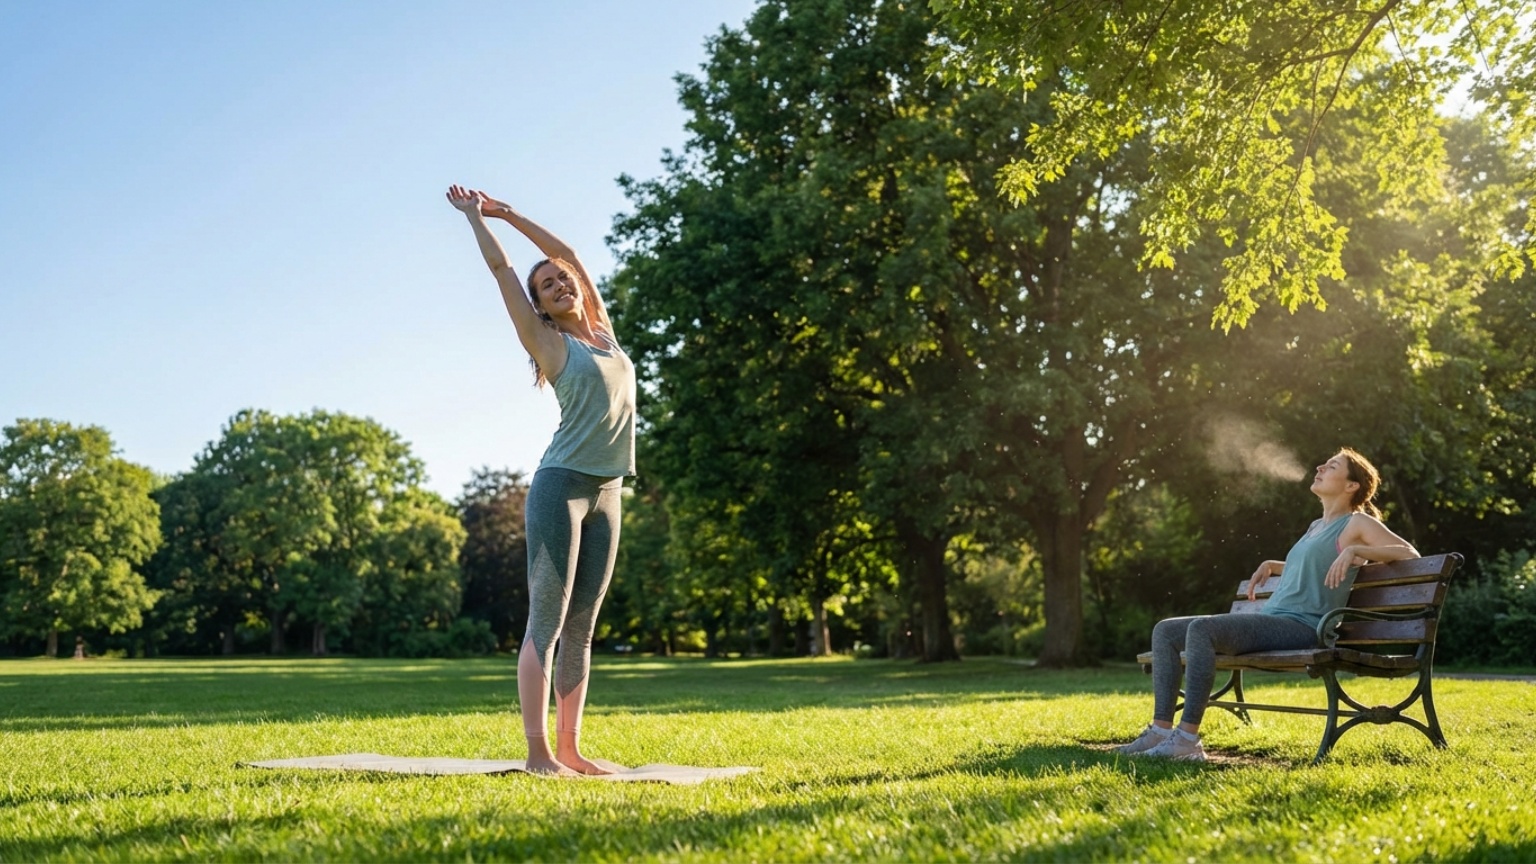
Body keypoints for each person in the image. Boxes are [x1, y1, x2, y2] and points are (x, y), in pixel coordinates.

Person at [446, 184, 636, 776]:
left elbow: (571, 254)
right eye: (547, 286)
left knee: (582, 626)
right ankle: (538, 753)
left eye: (562, 279)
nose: (560, 283)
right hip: (562, 487)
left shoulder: (602, 331)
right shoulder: (549, 343)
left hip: (609, 492)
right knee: (547, 623)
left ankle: (572, 748)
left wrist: (514, 211)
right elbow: (503, 268)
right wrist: (480, 219)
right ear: (542, 308)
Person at [1116, 448, 1418, 762]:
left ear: (1351, 486)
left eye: (1331, 466)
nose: (1319, 466)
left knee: (1202, 629)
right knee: (1165, 631)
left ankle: (1187, 740)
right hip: (1277, 619)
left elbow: (1409, 553)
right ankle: (1161, 731)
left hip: (1304, 627)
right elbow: (1314, 565)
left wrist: (1354, 548)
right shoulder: (1316, 525)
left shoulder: (1356, 522)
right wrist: (1275, 565)